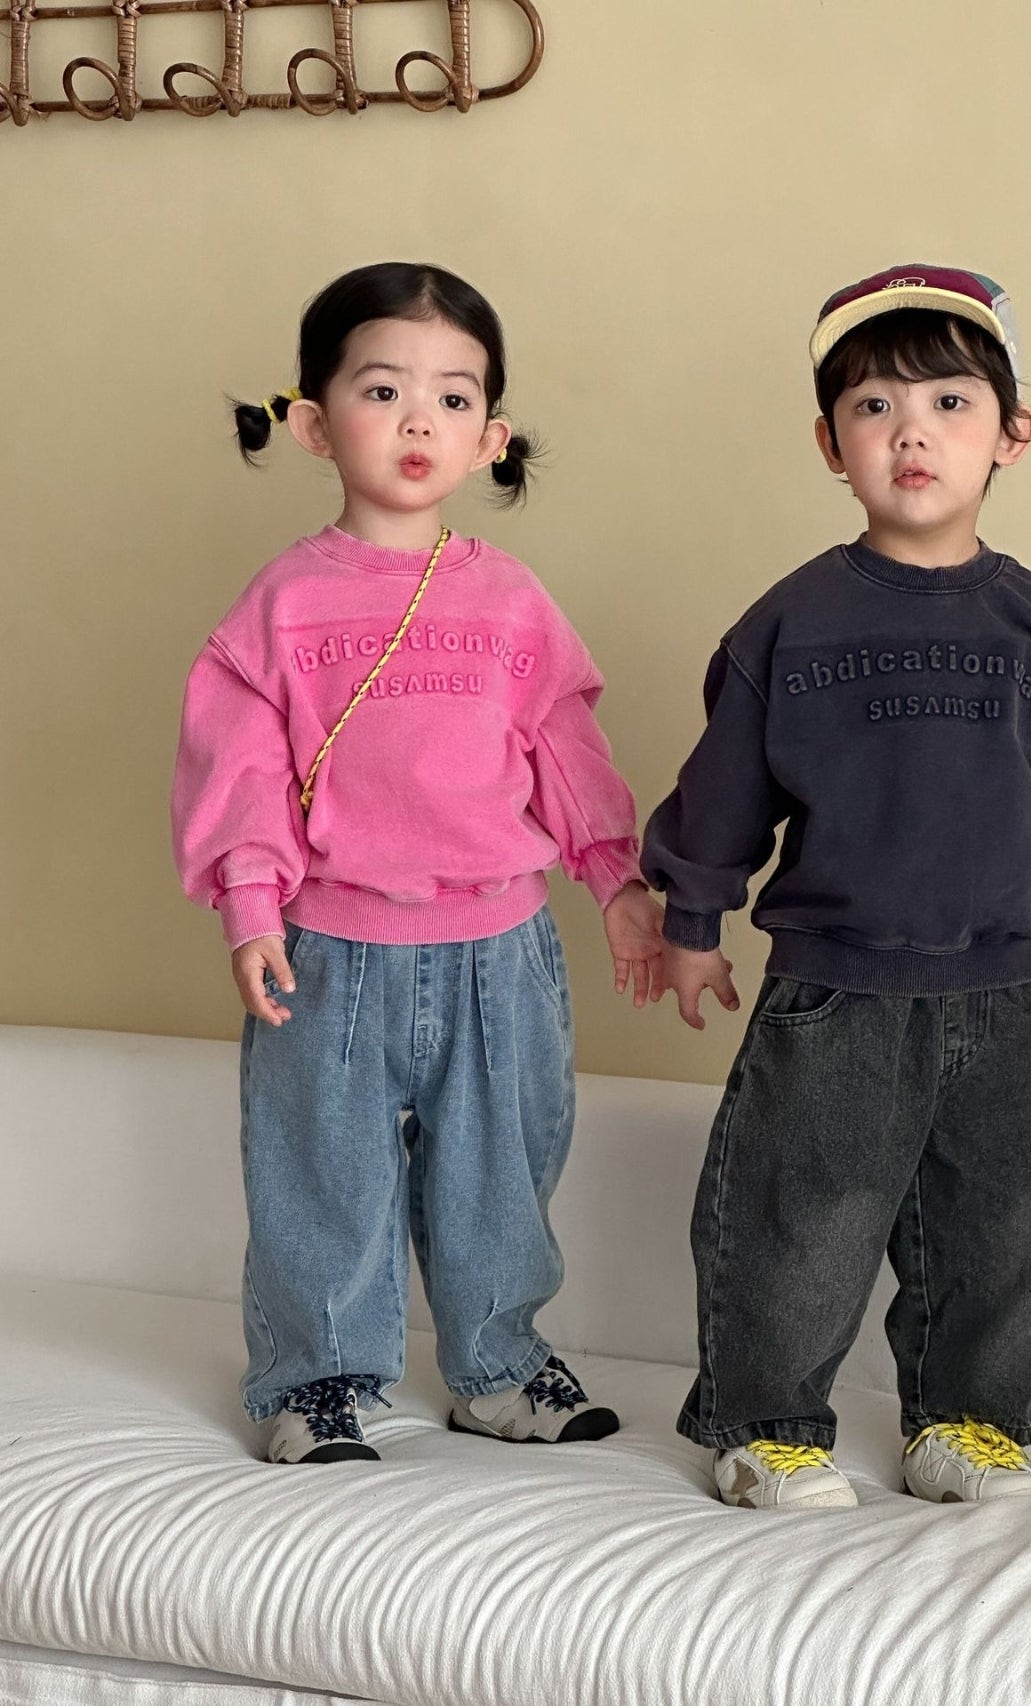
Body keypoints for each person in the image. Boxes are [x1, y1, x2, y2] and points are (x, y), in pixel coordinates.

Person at [641, 265, 1031, 1509]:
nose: (909, 432)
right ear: (830, 444)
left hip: (1024, 986)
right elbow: (721, 790)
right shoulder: (790, 624)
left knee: (1022, 1213)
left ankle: (968, 1420)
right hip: (837, 989)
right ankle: (766, 1422)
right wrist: (691, 921)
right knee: (799, 1210)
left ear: (1009, 434)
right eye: (872, 407)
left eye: (947, 402)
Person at [172, 261, 663, 1465]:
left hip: (502, 947)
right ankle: (319, 1378)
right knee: (321, 1169)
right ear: (312, 421)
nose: (416, 420)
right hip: (329, 946)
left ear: (490, 436)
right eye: (382, 388)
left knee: (502, 1166)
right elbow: (240, 766)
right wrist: (250, 904)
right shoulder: (282, 604)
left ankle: (498, 1363)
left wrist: (617, 882)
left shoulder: (512, 602)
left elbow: (565, 750)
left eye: (452, 397)